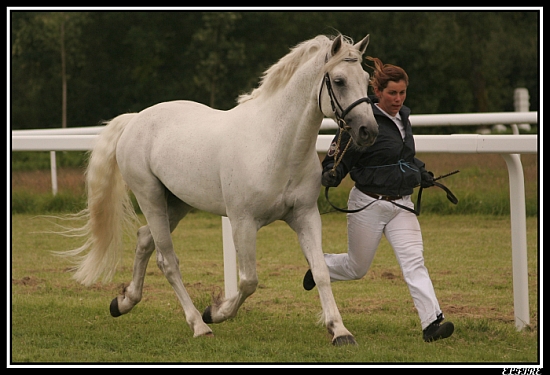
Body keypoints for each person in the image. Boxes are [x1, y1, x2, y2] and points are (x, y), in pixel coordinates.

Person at [303, 56, 454, 343]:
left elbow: (401, 157)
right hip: (367, 203)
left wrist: (421, 173)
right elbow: (339, 155)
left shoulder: (403, 120)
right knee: (357, 268)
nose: (398, 99)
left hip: (401, 206)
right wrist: (331, 173)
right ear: (378, 91)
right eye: (392, 93)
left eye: (402, 93)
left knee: (414, 263)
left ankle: (432, 323)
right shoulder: (364, 120)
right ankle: (321, 266)